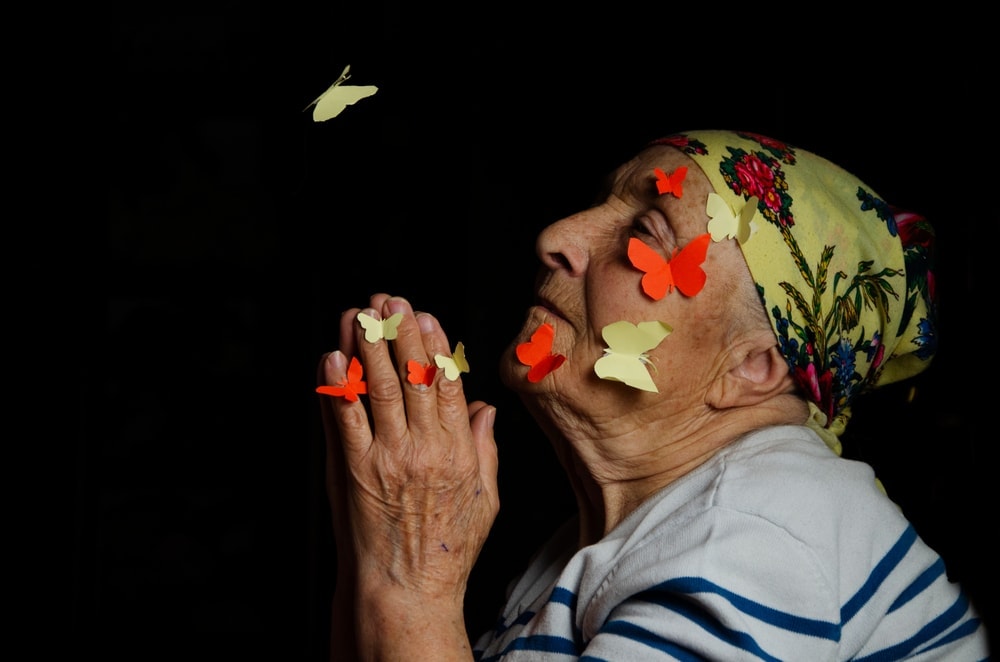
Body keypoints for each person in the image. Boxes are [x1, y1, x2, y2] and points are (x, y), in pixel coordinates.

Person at [315, 129, 989, 660]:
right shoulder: (604, 545)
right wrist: (376, 546)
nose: (557, 238)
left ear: (753, 366)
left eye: (644, 234)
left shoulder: (756, 532)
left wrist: (413, 581)